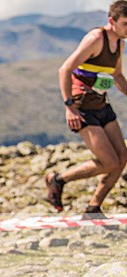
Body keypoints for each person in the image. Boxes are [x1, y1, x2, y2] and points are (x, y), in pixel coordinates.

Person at [47, 0, 127, 220]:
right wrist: (69, 106)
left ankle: (94, 207)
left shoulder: (120, 43)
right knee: (109, 162)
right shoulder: (95, 39)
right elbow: (65, 69)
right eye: (126, 24)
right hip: (82, 107)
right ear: (112, 21)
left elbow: (116, 75)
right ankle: (59, 179)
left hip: (102, 104)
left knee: (122, 158)